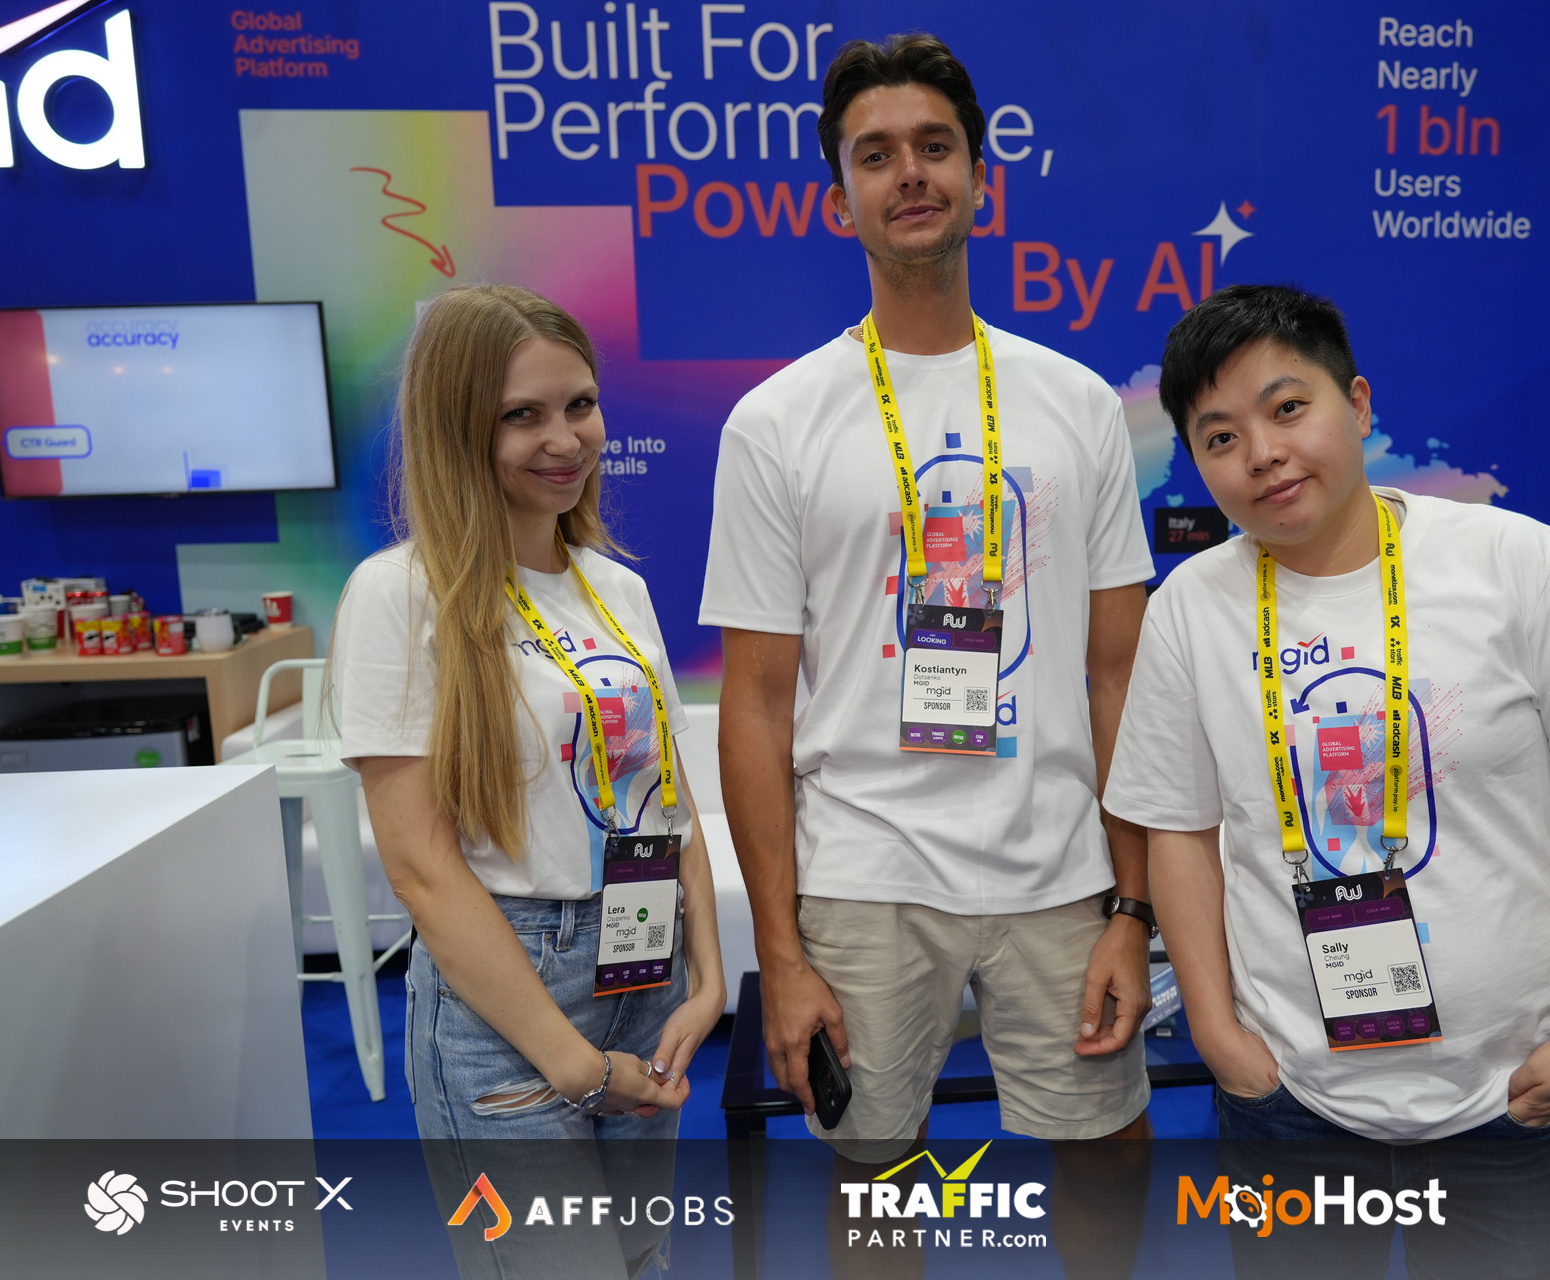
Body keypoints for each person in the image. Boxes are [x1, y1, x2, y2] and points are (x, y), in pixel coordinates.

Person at [1103, 285, 1550, 1276]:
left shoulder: (1519, 565)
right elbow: (1180, 829)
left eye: (1287, 408)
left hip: (1510, 1093)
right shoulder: (1192, 609)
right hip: (1290, 1095)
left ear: (1358, 404)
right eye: (1220, 437)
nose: (1261, 453)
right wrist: (1215, 1029)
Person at [699, 29, 1155, 1268]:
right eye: (875, 153)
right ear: (836, 196)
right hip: (865, 866)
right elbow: (756, 703)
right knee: (877, 1171)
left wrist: (1133, 905)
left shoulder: (1077, 403)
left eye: (934, 147)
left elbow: (1120, 672)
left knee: (1111, 1146)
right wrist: (778, 949)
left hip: (1056, 864)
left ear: (979, 178)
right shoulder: (776, 422)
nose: (909, 172)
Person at [332, 285, 725, 1276]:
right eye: (522, 414)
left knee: (640, 1260)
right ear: (458, 427)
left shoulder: (616, 584)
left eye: (579, 404)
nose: (565, 439)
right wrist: (574, 1063)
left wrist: (710, 978)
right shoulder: (400, 593)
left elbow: (668, 796)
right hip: (507, 1001)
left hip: (645, 969)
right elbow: (422, 870)